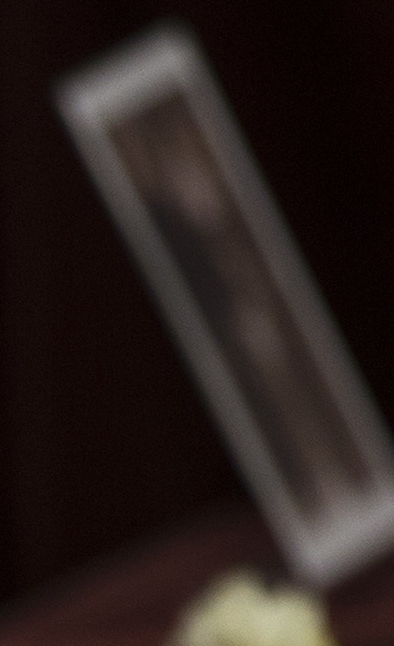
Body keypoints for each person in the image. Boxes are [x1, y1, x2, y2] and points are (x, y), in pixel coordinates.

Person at [116, 94, 374, 526]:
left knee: (295, 383)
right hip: (227, 312)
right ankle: (318, 487)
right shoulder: (163, 201)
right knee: (272, 396)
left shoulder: (209, 170)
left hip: (257, 298)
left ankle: (336, 480)